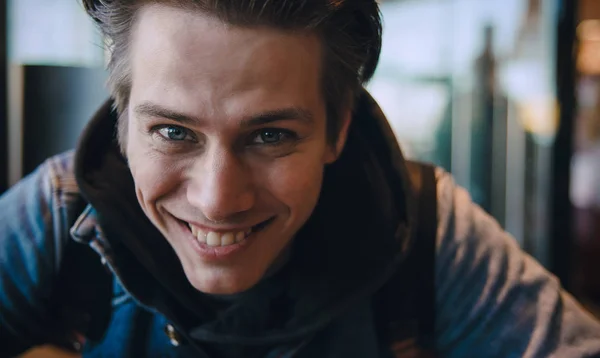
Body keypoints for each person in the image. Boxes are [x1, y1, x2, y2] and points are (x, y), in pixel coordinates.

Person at [2, 1, 600, 357]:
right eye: (173, 132)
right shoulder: (57, 216)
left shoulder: (424, 228)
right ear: (123, 122)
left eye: (270, 136)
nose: (217, 199)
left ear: (339, 129)